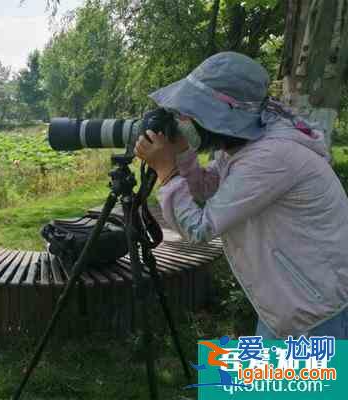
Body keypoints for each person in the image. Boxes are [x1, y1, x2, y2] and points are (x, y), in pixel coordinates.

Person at [133, 51, 348, 339]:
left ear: (216, 117)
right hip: (290, 301)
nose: (184, 119)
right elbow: (208, 189)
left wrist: (167, 172)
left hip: (313, 309)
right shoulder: (245, 140)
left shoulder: (270, 156)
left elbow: (200, 228)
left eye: (191, 113)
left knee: (291, 384)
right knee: (255, 382)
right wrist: (182, 154)